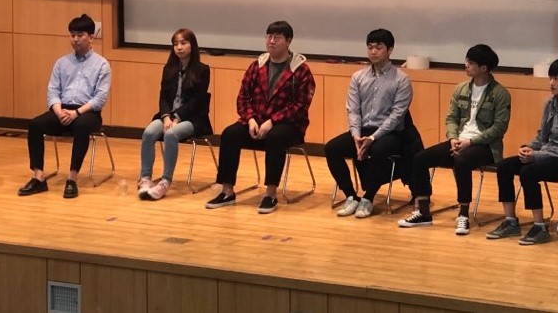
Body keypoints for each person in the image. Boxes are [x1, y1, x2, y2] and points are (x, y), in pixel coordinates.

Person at [399, 44, 511, 234]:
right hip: (459, 140)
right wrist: (452, 138)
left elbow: (499, 128)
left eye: (471, 63)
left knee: (462, 160)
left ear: (483, 68)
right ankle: (423, 212)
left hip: (485, 146)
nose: (466, 65)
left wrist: (470, 142)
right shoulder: (461, 89)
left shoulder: (500, 94)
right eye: (466, 61)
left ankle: (463, 214)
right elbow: (451, 118)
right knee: (420, 158)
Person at [205, 21, 315, 214]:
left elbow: (300, 106)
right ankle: (227, 191)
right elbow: (243, 98)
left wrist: (272, 122)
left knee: (276, 137)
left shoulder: (301, 70)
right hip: (256, 122)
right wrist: (251, 120)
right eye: (269, 37)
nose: (271, 41)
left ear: (288, 41)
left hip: (288, 126)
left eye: (277, 38)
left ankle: (270, 193)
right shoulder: (257, 66)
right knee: (230, 134)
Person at [486, 58, 558, 245]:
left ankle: (540, 226)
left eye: (557, 79)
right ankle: (510, 221)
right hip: (544, 154)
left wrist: (537, 155)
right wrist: (529, 147)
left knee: (529, 172)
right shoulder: (549, 104)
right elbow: (542, 136)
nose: (551, 83)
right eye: (550, 78)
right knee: (504, 166)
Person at [17, 14, 111, 199]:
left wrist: (76, 113)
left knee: (82, 125)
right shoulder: (62, 63)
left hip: (87, 112)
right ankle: (38, 177)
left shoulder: (102, 64)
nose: (75, 39)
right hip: (62, 109)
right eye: (72, 35)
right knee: (35, 125)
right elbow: (52, 91)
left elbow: (99, 98)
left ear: (91, 37)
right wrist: (59, 111)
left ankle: (72, 178)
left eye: (80, 35)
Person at [325, 29, 413, 219]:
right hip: (363, 130)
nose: (373, 51)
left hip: (389, 133)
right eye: (370, 47)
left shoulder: (401, 79)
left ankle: (368, 197)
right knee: (332, 148)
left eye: (378, 47)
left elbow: (397, 116)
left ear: (390, 50)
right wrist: (356, 135)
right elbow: (353, 110)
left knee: (380, 150)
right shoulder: (358, 77)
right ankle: (351, 196)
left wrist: (373, 138)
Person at [138, 28, 211, 201]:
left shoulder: (202, 70)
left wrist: (176, 117)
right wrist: (165, 117)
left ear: (192, 45)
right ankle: (145, 178)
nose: (179, 47)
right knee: (148, 133)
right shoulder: (169, 68)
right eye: (175, 44)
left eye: (183, 43)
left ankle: (165, 181)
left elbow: (197, 101)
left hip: (192, 118)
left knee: (171, 135)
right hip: (167, 116)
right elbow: (163, 96)